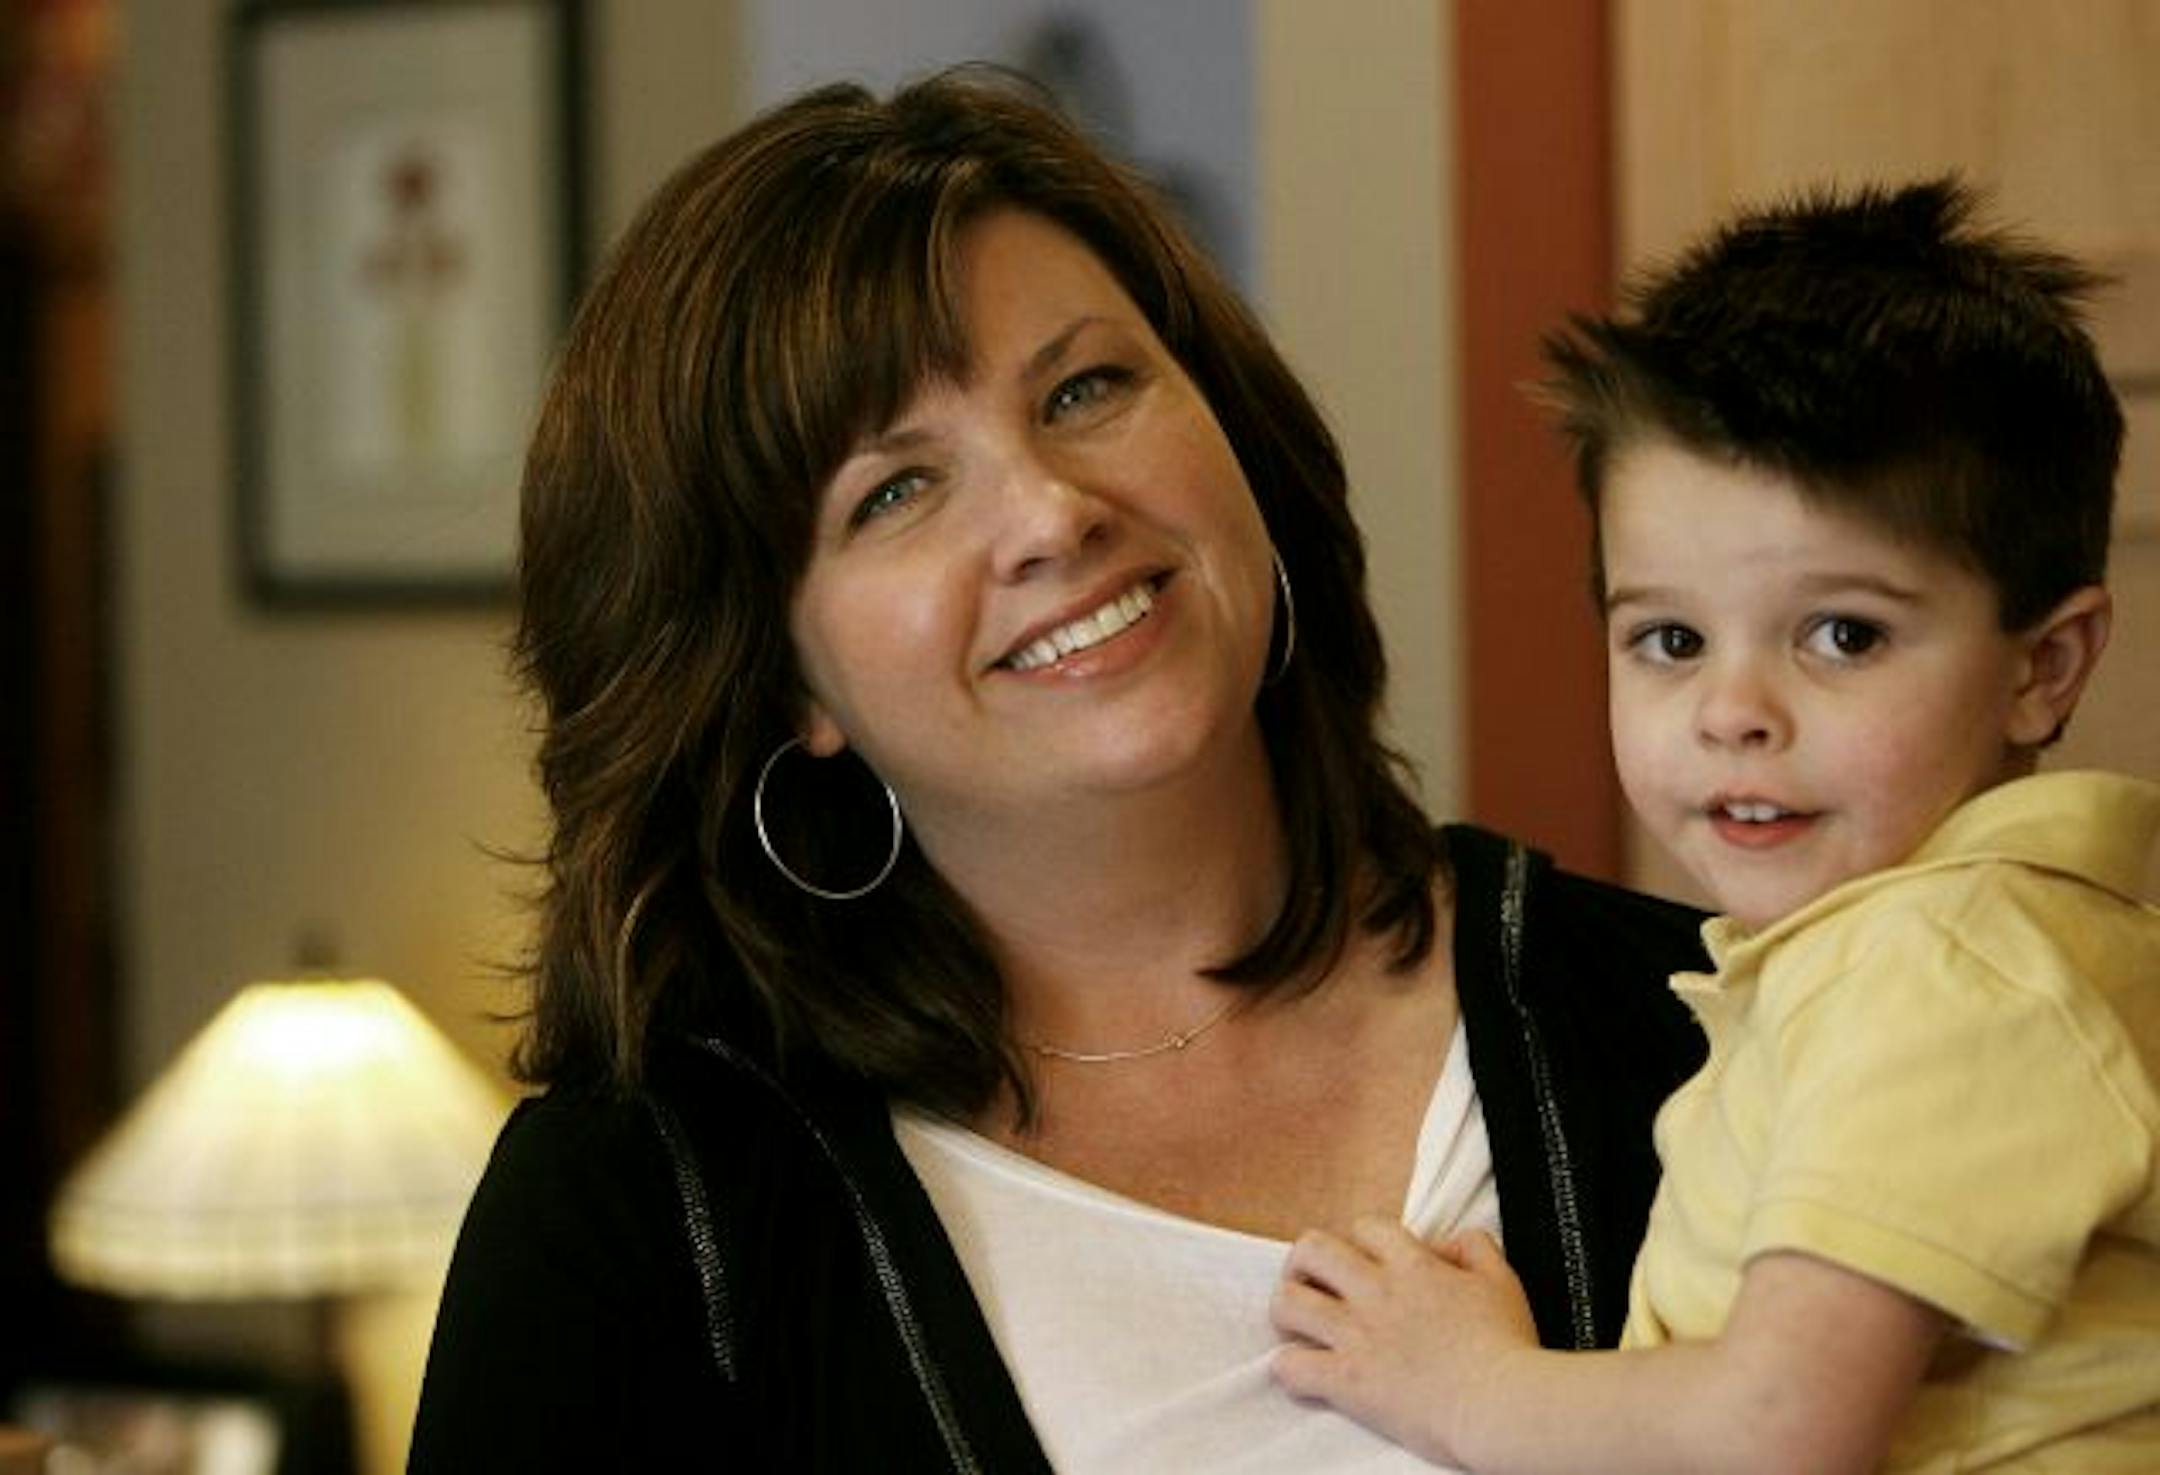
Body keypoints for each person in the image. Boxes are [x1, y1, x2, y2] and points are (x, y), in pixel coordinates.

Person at [406, 69, 1709, 1473]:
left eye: (1086, 389)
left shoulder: (1708, 1023)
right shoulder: (645, 1224)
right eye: (895, 491)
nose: (1048, 513)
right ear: (785, 684)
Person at [1269, 178, 2160, 1472]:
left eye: (1843, 634)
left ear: (2044, 667)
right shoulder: (1915, 953)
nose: (1734, 711)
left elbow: (1778, 1429)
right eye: (1669, 639)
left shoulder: (1945, 971)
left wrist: (1468, 1384)